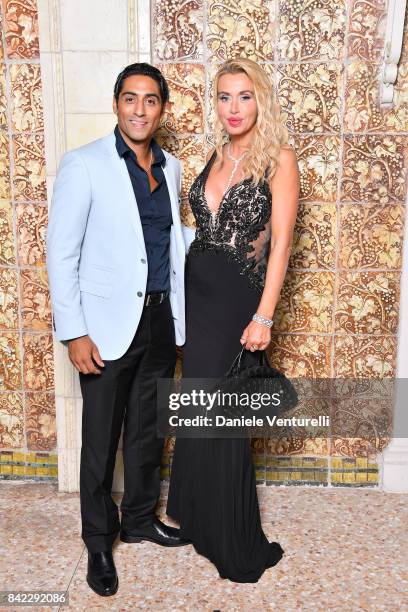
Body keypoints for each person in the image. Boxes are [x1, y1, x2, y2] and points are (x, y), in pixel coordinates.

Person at [46, 63, 190, 598]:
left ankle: (138, 519)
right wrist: (74, 331)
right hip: (104, 327)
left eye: (150, 100)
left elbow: (170, 244)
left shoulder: (171, 168)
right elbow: (61, 253)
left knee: (149, 430)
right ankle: (99, 540)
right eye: (130, 99)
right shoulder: (84, 165)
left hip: (158, 319)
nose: (139, 109)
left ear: (162, 109)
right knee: (101, 441)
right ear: (116, 104)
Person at [167, 58, 300, 583]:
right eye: (224, 97)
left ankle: (232, 537)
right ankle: (198, 518)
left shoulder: (279, 159)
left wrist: (264, 314)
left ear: (260, 100)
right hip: (198, 296)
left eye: (244, 96)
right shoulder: (216, 155)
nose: (234, 108)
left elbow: (281, 245)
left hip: (238, 299)